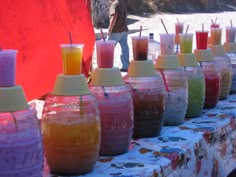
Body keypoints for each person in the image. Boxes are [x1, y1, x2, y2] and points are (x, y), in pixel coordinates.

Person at [108, 0, 129, 72]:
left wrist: (110, 29)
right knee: (125, 48)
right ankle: (126, 66)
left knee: (108, 49)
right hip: (124, 29)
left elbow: (114, 17)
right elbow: (126, 15)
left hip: (116, 31)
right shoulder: (122, 3)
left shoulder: (114, 4)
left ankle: (107, 66)